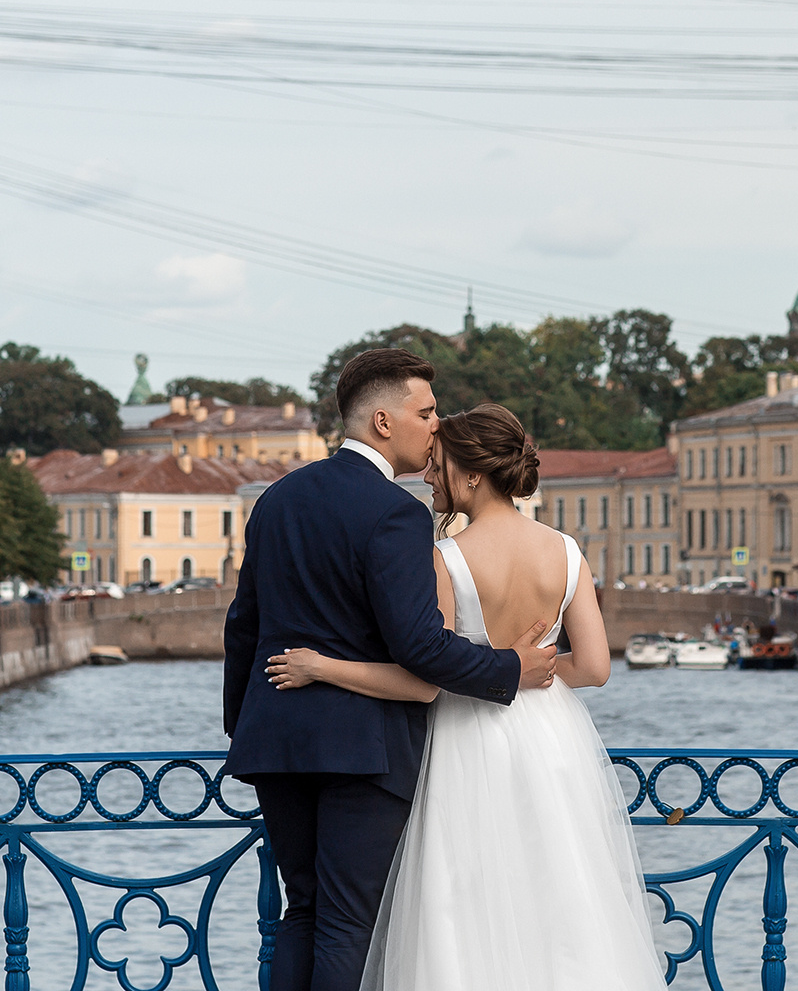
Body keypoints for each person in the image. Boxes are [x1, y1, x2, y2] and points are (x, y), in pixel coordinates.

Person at [268, 403, 666, 989]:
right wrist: (531, 674)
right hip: (552, 740)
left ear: (473, 474)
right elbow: (597, 667)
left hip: (465, 739)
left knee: (461, 900)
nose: (429, 475)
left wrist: (325, 668)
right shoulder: (565, 550)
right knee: (558, 894)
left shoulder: (445, 558)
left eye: (441, 465)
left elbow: (426, 680)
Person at [222, 348, 558, 991]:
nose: (437, 426)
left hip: (277, 738)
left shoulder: (276, 499)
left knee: (304, 912)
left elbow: (243, 624)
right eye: (426, 412)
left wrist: (245, 727)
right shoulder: (396, 512)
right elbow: (420, 648)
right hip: (363, 749)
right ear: (383, 421)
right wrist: (509, 667)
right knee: (348, 923)